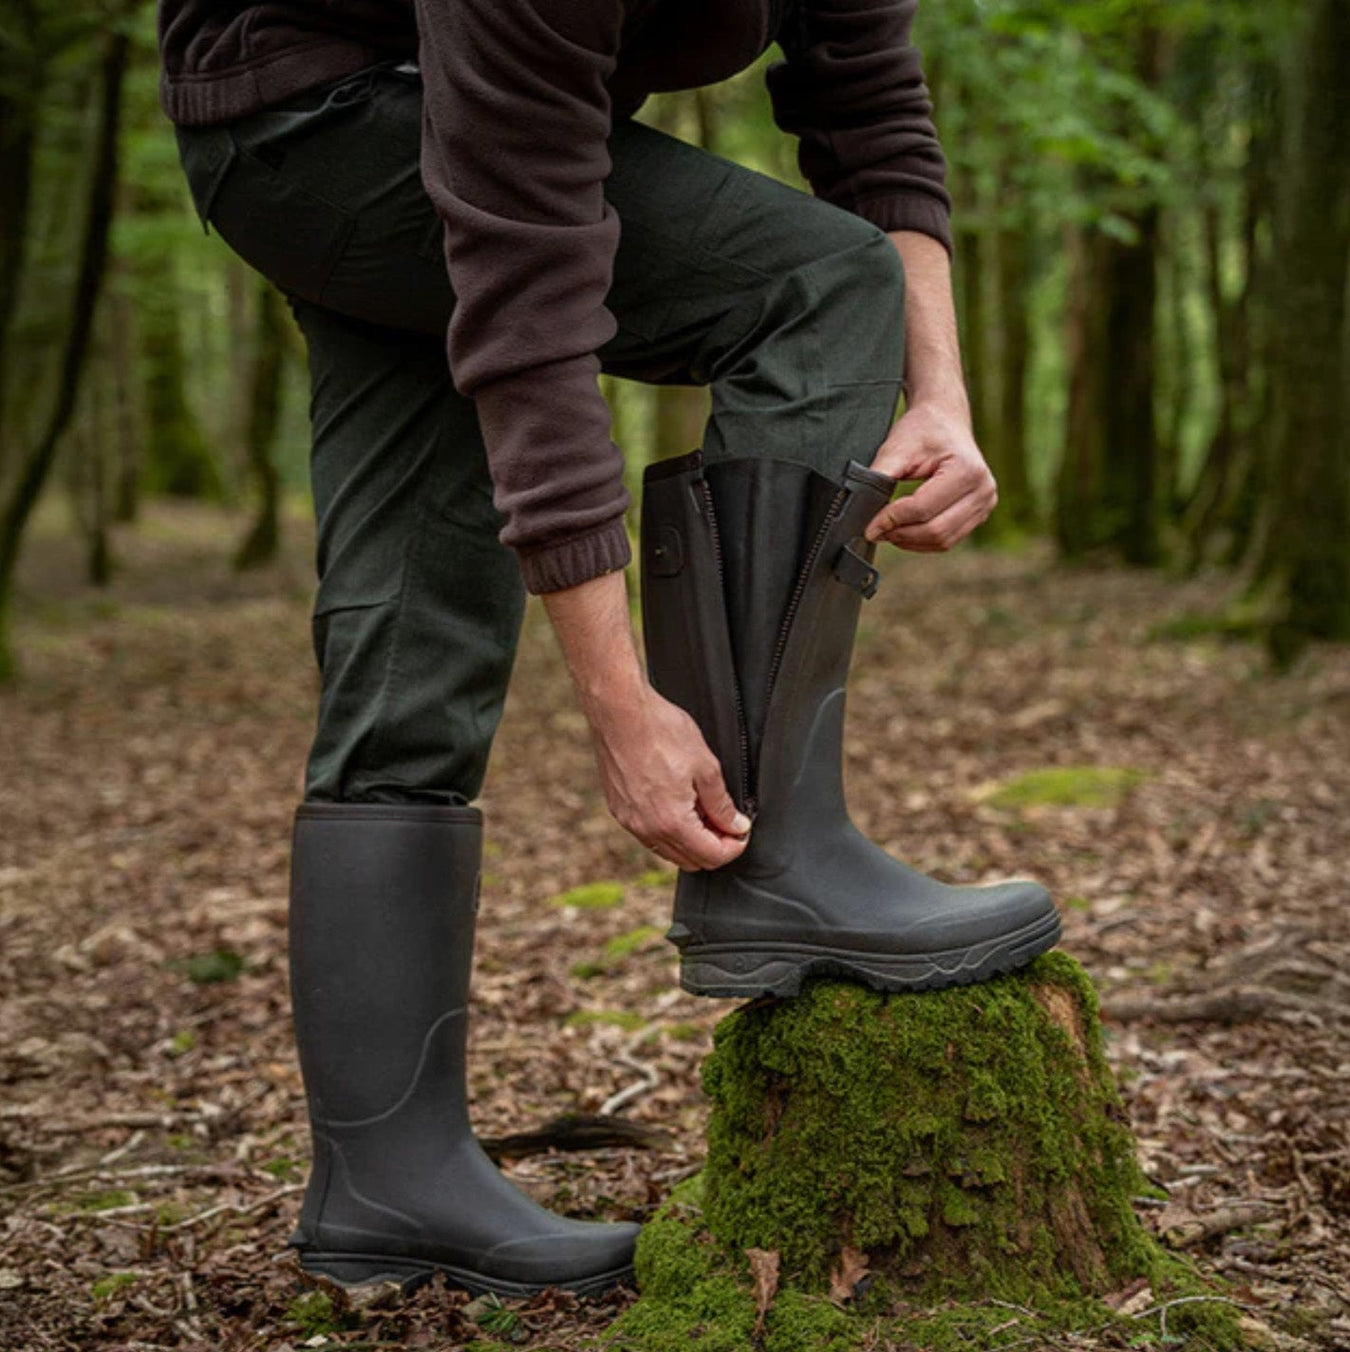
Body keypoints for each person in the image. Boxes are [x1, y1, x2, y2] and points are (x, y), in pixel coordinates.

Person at [157, 0, 1060, 1301]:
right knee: (811, 279)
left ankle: (384, 1183)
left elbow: (869, 113)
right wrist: (620, 703)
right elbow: (530, 297)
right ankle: (777, 861)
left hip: (378, 131)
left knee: (412, 626)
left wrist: (941, 393)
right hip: (322, 123)